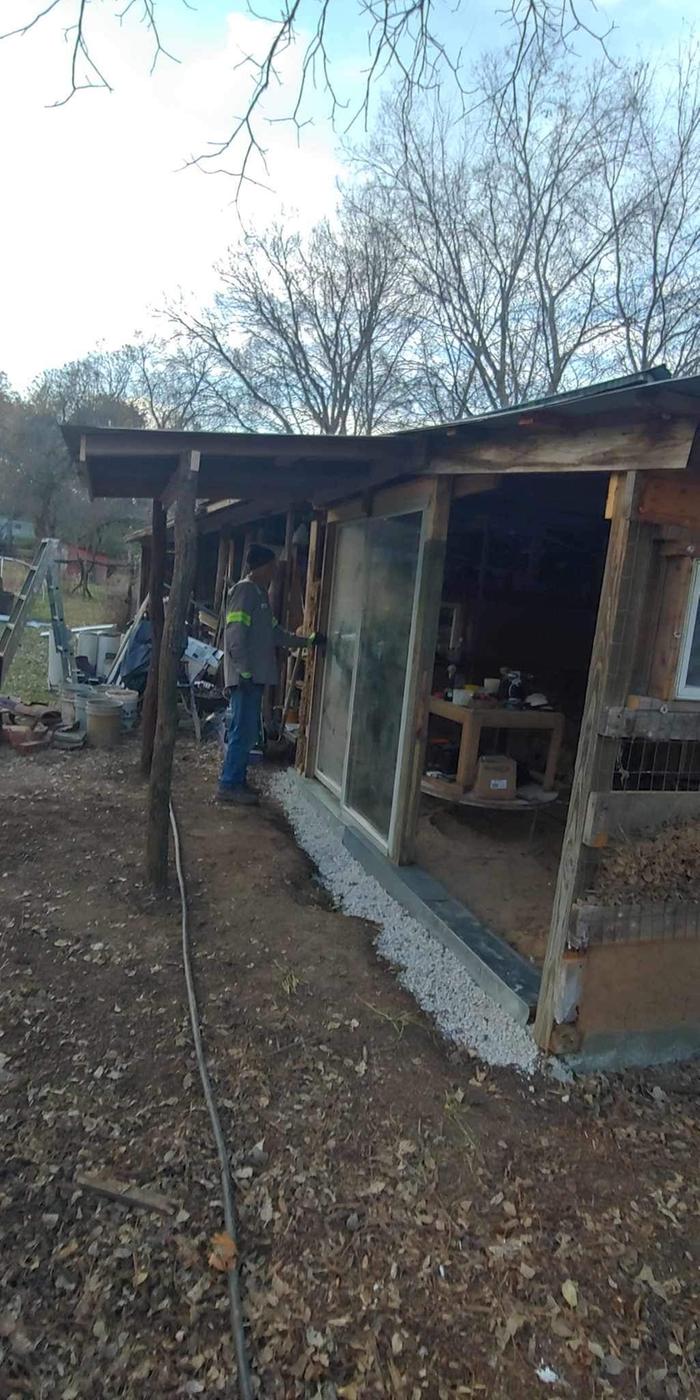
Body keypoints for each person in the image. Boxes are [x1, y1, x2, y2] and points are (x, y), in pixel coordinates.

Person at [218, 543, 321, 805]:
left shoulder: (260, 595)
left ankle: (237, 780)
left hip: (254, 677)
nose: (275, 572)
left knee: (249, 730)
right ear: (262, 567)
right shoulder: (244, 591)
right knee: (242, 730)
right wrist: (244, 670)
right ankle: (229, 785)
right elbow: (235, 635)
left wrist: (307, 641)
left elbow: (276, 634)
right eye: (273, 567)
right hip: (246, 678)